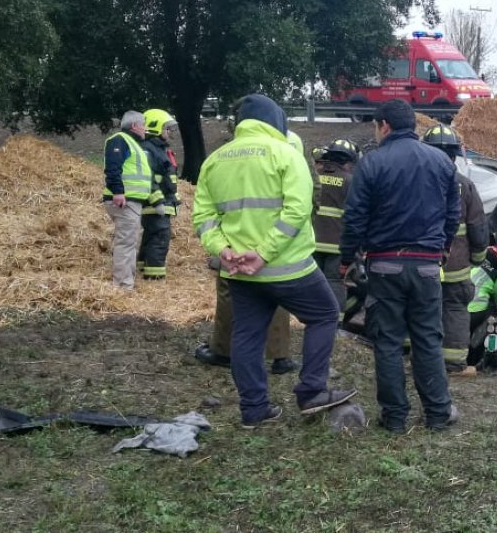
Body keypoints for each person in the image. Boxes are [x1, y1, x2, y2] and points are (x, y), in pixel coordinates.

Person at [192, 94, 355, 428]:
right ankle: (311, 391)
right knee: (324, 315)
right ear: (275, 121)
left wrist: (221, 249)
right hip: (288, 267)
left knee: (247, 336)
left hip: (239, 271)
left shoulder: (214, 160)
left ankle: (254, 410)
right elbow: (297, 210)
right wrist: (265, 253)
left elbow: (204, 217)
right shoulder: (287, 155)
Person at [338, 99, 461, 434]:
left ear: (385, 126)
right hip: (426, 267)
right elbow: (453, 214)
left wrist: (346, 259)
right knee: (427, 340)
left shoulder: (372, 163)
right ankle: (437, 413)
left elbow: (355, 217)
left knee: (388, 342)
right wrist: (444, 247)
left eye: (375, 127)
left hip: (384, 267)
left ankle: (394, 418)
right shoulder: (441, 162)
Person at [421, 125, 489, 372]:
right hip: (456, 266)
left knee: (418, 307)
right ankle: (453, 362)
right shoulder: (465, 186)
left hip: (421, 262)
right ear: (453, 156)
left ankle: (412, 355)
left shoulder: (415, 183)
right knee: (455, 309)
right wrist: (479, 258)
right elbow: (478, 227)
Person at [102, 110, 157, 290]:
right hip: (124, 201)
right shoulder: (120, 140)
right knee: (126, 242)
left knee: (129, 241)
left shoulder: (132, 143)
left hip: (131, 201)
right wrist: (118, 191)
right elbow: (113, 167)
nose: (145, 129)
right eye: (143, 124)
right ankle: (123, 286)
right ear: (134, 125)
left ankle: (126, 282)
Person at [312, 139, 360, 325]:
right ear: (348, 161)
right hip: (337, 245)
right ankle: (335, 323)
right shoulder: (350, 181)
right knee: (335, 282)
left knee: (314, 282)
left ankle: (312, 320)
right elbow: (355, 216)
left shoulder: (315, 176)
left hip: (312, 242)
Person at [137, 109, 181, 279]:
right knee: (159, 238)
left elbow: (166, 179)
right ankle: (154, 276)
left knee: (151, 236)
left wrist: (173, 201)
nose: (169, 132)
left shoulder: (157, 148)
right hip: (155, 205)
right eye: (166, 128)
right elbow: (148, 178)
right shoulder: (150, 149)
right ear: (154, 127)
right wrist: (158, 202)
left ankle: (144, 268)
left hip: (161, 203)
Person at [467, 246, 497, 367]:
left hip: (460, 305)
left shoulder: (471, 263)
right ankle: (472, 361)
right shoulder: (495, 275)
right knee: (490, 318)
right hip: (477, 311)